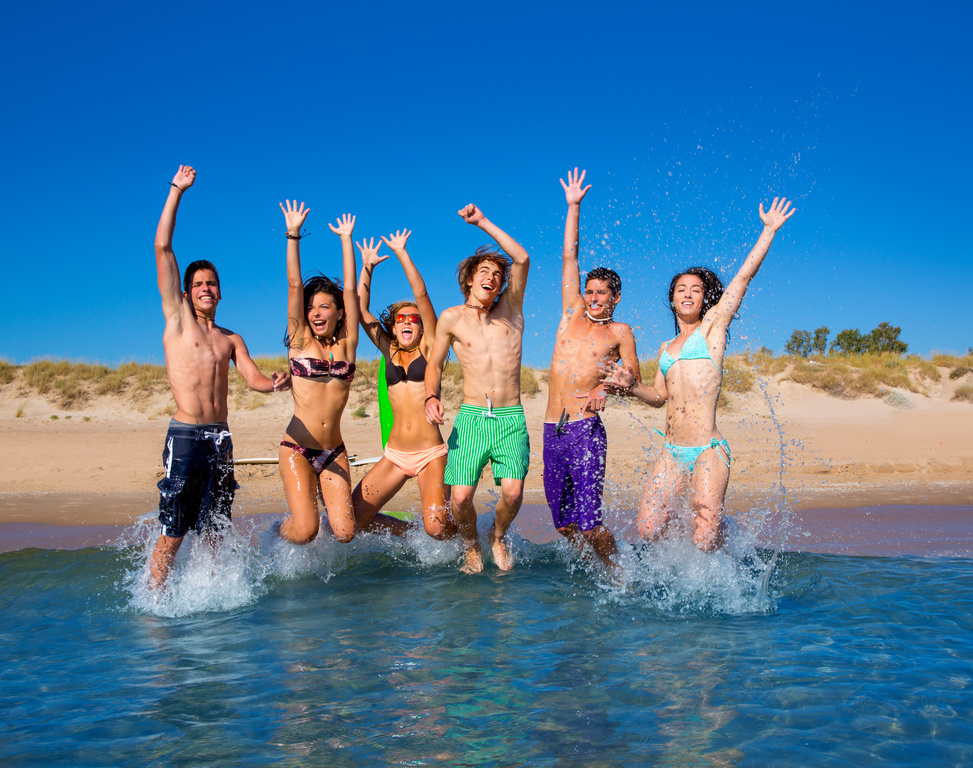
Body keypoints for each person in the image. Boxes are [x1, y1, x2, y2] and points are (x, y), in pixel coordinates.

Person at [605, 197, 796, 551]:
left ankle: (727, 541)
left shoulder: (712, 329)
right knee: (648, 528)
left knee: (706, 539)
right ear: (672, 299)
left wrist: (768, 231)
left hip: (708, 448)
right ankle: (695, 541)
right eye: (682, 289)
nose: (689, 293)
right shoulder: (665, 347)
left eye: (696, 289)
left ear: (705, 298)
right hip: (671, 451)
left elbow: (743, 278)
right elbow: (658, 397)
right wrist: (631, 387)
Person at [150, 165, 290, 590]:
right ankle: (154, 603)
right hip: (187, 436)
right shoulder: (178, 322)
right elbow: (162, 247)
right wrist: (177, 189)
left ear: (221, 291)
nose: (206, 288)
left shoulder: (231, 338)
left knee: (214, 525)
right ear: (186, 292)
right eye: (198, 284)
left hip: (220, 438)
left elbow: (253, 380)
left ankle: (209, 597)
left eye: (212, 283)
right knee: (174, 529)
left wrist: (276, 383)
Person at [424, 203, 530, 573]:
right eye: (484, 271)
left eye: (497, 275)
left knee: (513, 492)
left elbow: (521, 256)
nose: (492, 278)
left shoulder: (511, 311)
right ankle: (470, 543)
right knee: (460, 497)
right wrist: (431, 395)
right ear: (469, 279)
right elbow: (435, 364)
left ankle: (496, 537)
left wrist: (483, 221)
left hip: (510, 417)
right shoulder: (451, 318)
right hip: (471, 418)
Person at [544, 168, 640, 574]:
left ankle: (618, 575)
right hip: (552, 429)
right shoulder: (570, 315)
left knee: (590, 521)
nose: (594, 296)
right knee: (563, 523)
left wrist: (607, 385)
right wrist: (573, 206)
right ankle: (593, 571)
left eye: (603, 292)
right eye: (590, 290)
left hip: (585, 429)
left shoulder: (620, 330)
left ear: (615, 297)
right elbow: (570, 257)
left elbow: (632, 373)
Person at [352, 229, 455, 540]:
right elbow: (359, 310)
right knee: (353, 519)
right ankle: (410, 535)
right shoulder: (389, 349)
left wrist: (402, 253)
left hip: (430, 454)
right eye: (400, 319)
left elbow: (422, 296)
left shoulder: (430, 347)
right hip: (395, 454)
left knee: (437, 528)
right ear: (392, 327)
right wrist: (367, 266)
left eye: (413, 318)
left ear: (422, 326)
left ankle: (465, 539)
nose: (408, 321)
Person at [277, 200, 360, 545]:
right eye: (311, 308)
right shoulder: (299, 340)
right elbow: (295, 286)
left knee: (345, 534)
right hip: (297, 447)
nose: (315, 313)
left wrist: (346, 240)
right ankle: (280, 530)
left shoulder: (348, 344)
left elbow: (352, 292)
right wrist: (293, 234)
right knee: (307, 531)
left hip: (334, 450)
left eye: (325, 306)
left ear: (339, 313)